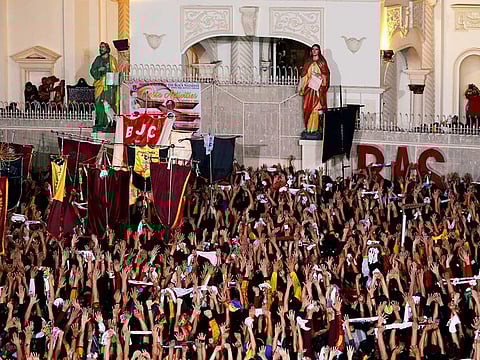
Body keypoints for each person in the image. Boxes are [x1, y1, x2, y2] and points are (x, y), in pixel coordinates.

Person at [299, 44, 330, 138]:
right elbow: (304, 75)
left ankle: (316, 129)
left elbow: (326, 75)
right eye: (313, 49)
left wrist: (320, 78)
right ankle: (309, 129)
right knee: (308, 109)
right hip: (309, 90)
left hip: (318, 91)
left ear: (319, 51)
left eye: (316, 49)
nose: (314, 51)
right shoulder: (308, 62)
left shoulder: (322, 63)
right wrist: (303, 86)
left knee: (316, 110)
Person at [90, 42, 119, 130]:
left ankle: (112, 122)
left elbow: (115, 72)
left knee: (110, 103)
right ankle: (100, 122)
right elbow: (92, 70)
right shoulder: (98, 59)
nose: (101, 49)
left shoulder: (112, 59)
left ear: (107, 48)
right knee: (99, 103)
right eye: (100, 47)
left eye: (103, 47)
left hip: (109, 86)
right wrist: (99, 69)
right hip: (100, 85)